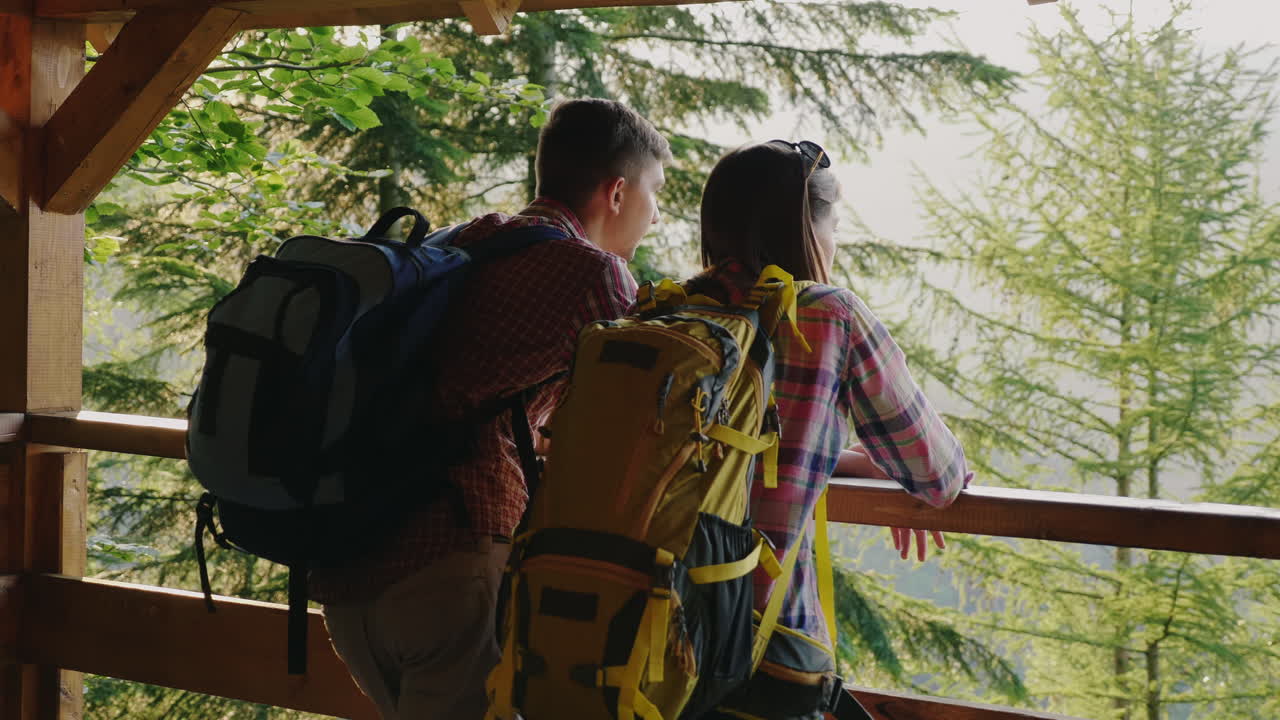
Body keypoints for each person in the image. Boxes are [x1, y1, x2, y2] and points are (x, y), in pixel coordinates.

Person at [308, 98, 671, 720]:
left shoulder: (465, 243)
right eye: (654, 193)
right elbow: (647, 420)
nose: (656, 215)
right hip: (450, 569)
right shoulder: (597, 278)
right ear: (616, 192)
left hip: (349, 569)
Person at [684, 139, 971, 719]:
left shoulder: (673, 311)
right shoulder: (826, 313)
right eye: (833, 225)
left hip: (657, 634)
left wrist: (845, 459)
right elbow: (937, 475)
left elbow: (722, 455)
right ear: (806, 230)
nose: (834, 244)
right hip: (762, 644)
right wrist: (899, 466)